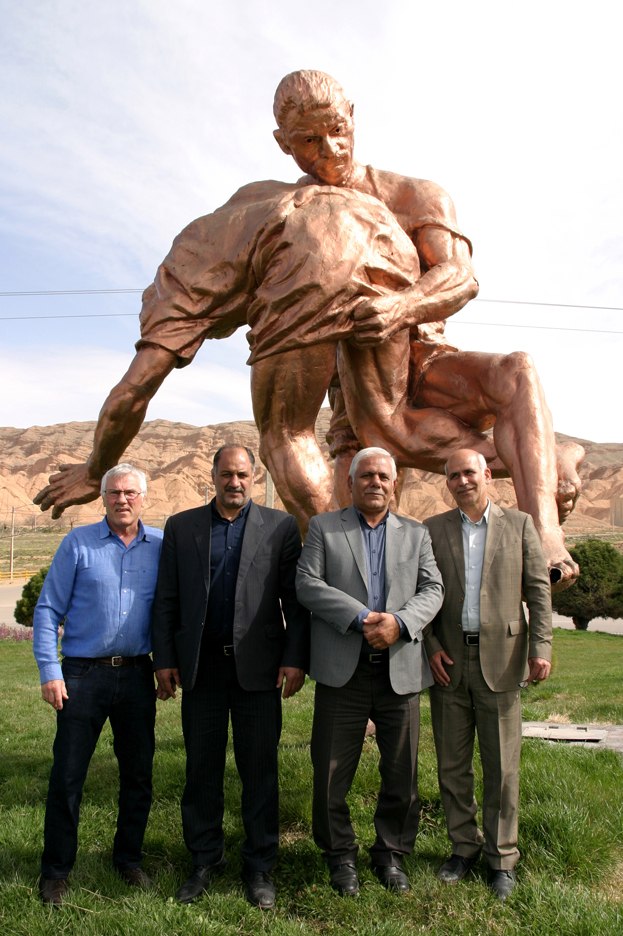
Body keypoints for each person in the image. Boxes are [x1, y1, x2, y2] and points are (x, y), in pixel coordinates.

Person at [33, 70, 582, 585]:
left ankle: (547, 539)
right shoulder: (283, 216)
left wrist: (400, 309)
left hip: (424, 356)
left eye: (337, 131)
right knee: (354, 533)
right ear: (283, 143)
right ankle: (549, 464)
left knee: (518, 372)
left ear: (352, 114)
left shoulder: (416, 195)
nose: (330, 151)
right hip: (350, 399)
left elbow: (461, 278)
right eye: (309, 141)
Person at [152, 444, 309, 909]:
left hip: (257, 670)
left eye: (242, 474)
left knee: (259, 770)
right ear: (213, 475)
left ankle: (260, 866)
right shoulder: (182, 528)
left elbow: (294, 602)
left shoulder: (280, 527)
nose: (234, 482)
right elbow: (166, 600)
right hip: (201, 670)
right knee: (201, 769)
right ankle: (204, 859)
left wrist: (295, 658)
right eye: (227, 474)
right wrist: (164, 659)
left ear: (254, 477)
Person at [295, 447, 443, 895]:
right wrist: (362, 618)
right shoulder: (324, 527)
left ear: (394, 484)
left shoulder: (416, 534)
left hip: (400, 670)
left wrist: (399, 623)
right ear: (350, 483)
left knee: (402, 772)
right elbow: (307, 584)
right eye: (366, 476)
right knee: (330, 772)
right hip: (344, 671)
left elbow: (433, 588)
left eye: (383, 476)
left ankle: (391, 853)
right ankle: (339, 856)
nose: (375, 482)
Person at [423, 448, 553, 900]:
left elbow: (538, 590)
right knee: (452, 765)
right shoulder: (433, 530)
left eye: (469, 472)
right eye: (453, 475)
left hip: (504, 660)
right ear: (447, 483)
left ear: (487, 475)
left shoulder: (519, 525)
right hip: (450, 664)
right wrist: (432, 648)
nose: (462, 481)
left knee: (502, 768)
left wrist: (542, 646)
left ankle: (503, 857)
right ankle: (463, 846)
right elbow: (424, 594)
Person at [32, 464, 163, 905]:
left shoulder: (161, 546)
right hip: (82, 677)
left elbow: (173, 612)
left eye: (130, 492)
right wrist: (50, 671)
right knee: (68, 776)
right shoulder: (78, 544)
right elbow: (48, 610)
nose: (122, 499)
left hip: (138, 674)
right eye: (113, 493)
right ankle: (55, 872)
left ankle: (128, 860)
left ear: (144, 497)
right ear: (102, 498)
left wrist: (167, 666)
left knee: (138, 775)